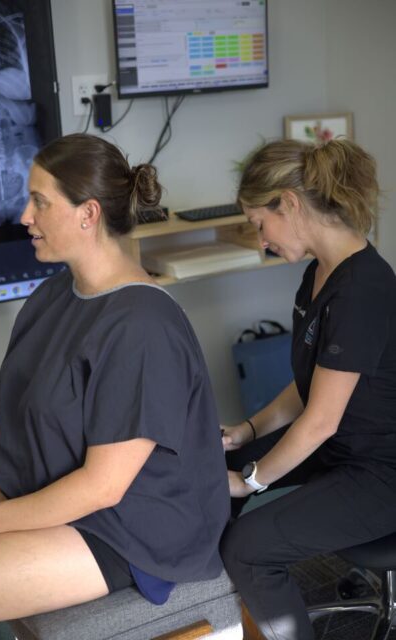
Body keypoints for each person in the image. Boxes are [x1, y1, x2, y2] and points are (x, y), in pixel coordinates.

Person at [0, 133, 230, 632]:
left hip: (130, 527)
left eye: (40, 203)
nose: (25, 216)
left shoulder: (141, 327)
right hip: (62, 487)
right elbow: (15, 408)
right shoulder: (53, 295)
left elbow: (103, 487)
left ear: (88, 214)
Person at [220, 138, 396, 640]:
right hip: (345, 447)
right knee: (220, 470)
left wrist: (253, 481)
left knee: (247, 546)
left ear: (290, 204)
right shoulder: (318, 276)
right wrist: (247, 432)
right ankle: (206, 612)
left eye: (260, 225)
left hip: (382, 471)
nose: (261, 241)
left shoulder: (363, 289)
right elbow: (310, 389)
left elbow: (320, 420)